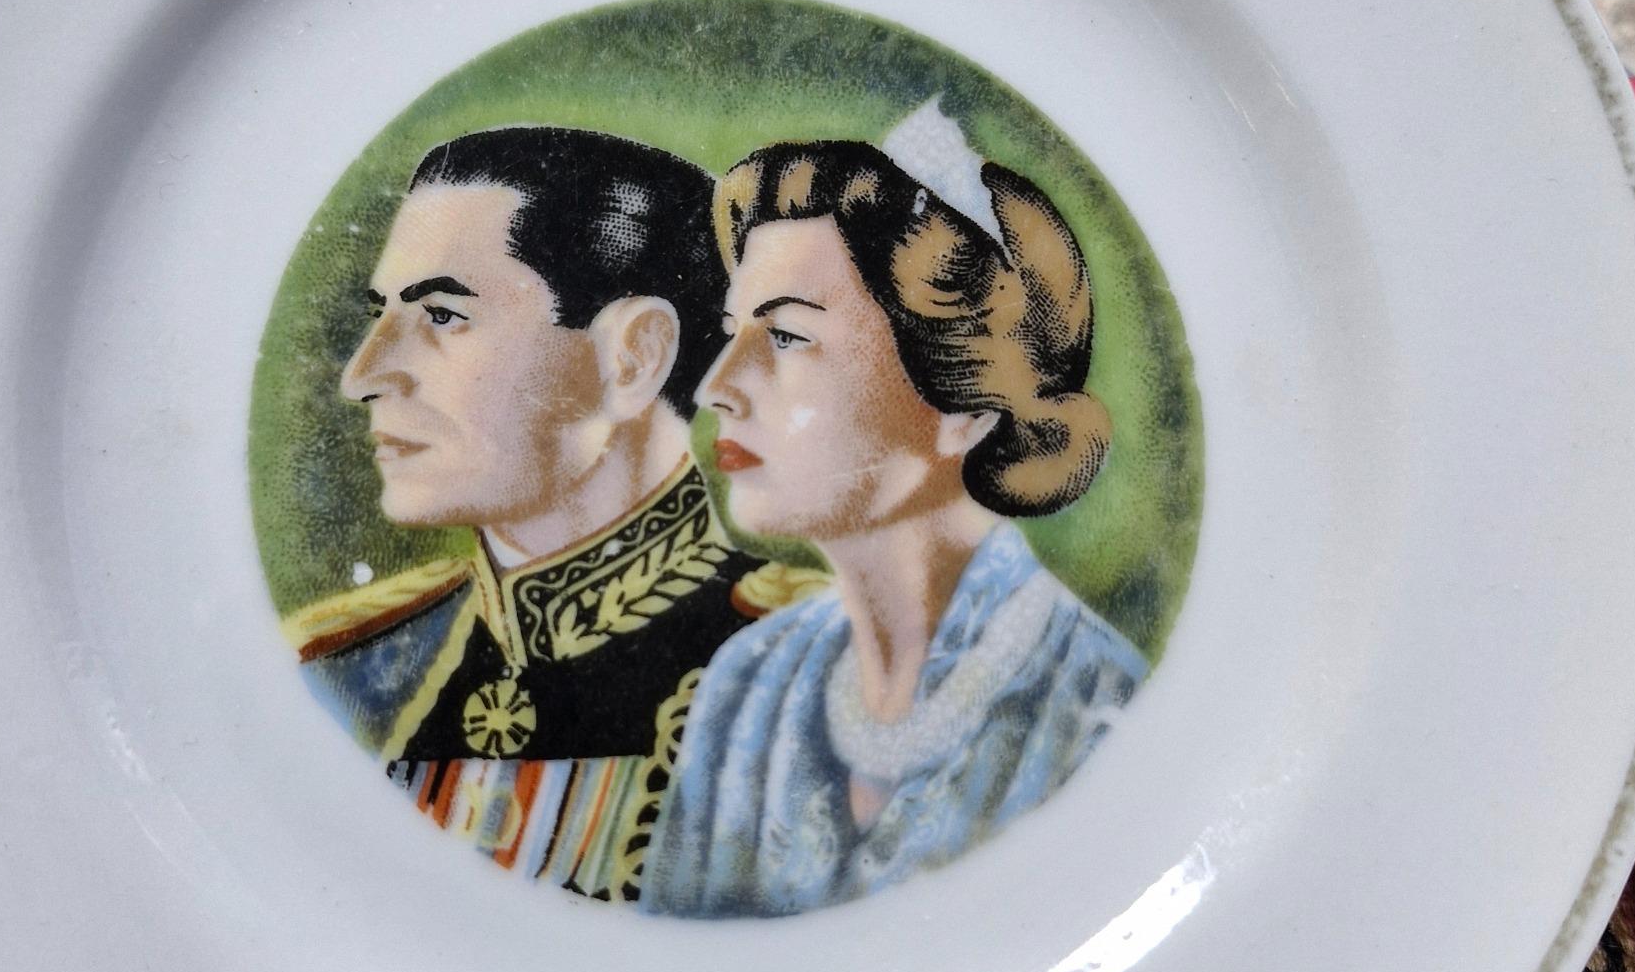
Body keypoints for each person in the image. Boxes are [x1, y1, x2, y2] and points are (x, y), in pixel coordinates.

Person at [642, 100, 1147, 919]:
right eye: (734, 333)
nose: (716, 388)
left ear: (965, 408)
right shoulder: (744, 688)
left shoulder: (1102, 713)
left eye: (787, 337)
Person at [283, 126, 803, 902]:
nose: (364, 374)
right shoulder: (340, 665)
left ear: (633, 356)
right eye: (381, 314)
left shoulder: (820, 673)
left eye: (442, 316)